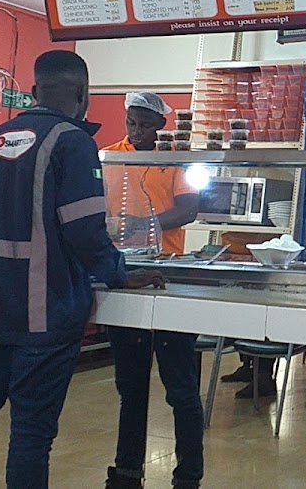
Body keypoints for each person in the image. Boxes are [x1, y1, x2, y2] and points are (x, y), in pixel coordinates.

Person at [0, 50, 164, 489]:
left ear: (33, 90)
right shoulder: (72, 141)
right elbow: (85, 230)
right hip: (43, 314)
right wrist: (119, 273)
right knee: (31, 434)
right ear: (82, 93)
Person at [101, 92, 204, 489]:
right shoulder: (110, 156)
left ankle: (188, 476)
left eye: (146, 125)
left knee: (181, 388)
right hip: (125, 274)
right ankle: (127, 472)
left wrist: (147, 224)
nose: (137, 131)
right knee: (131, 387)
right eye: (132, 123)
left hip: (167, 274)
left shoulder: (177, 158)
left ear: (162, 125)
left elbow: (188, 209)